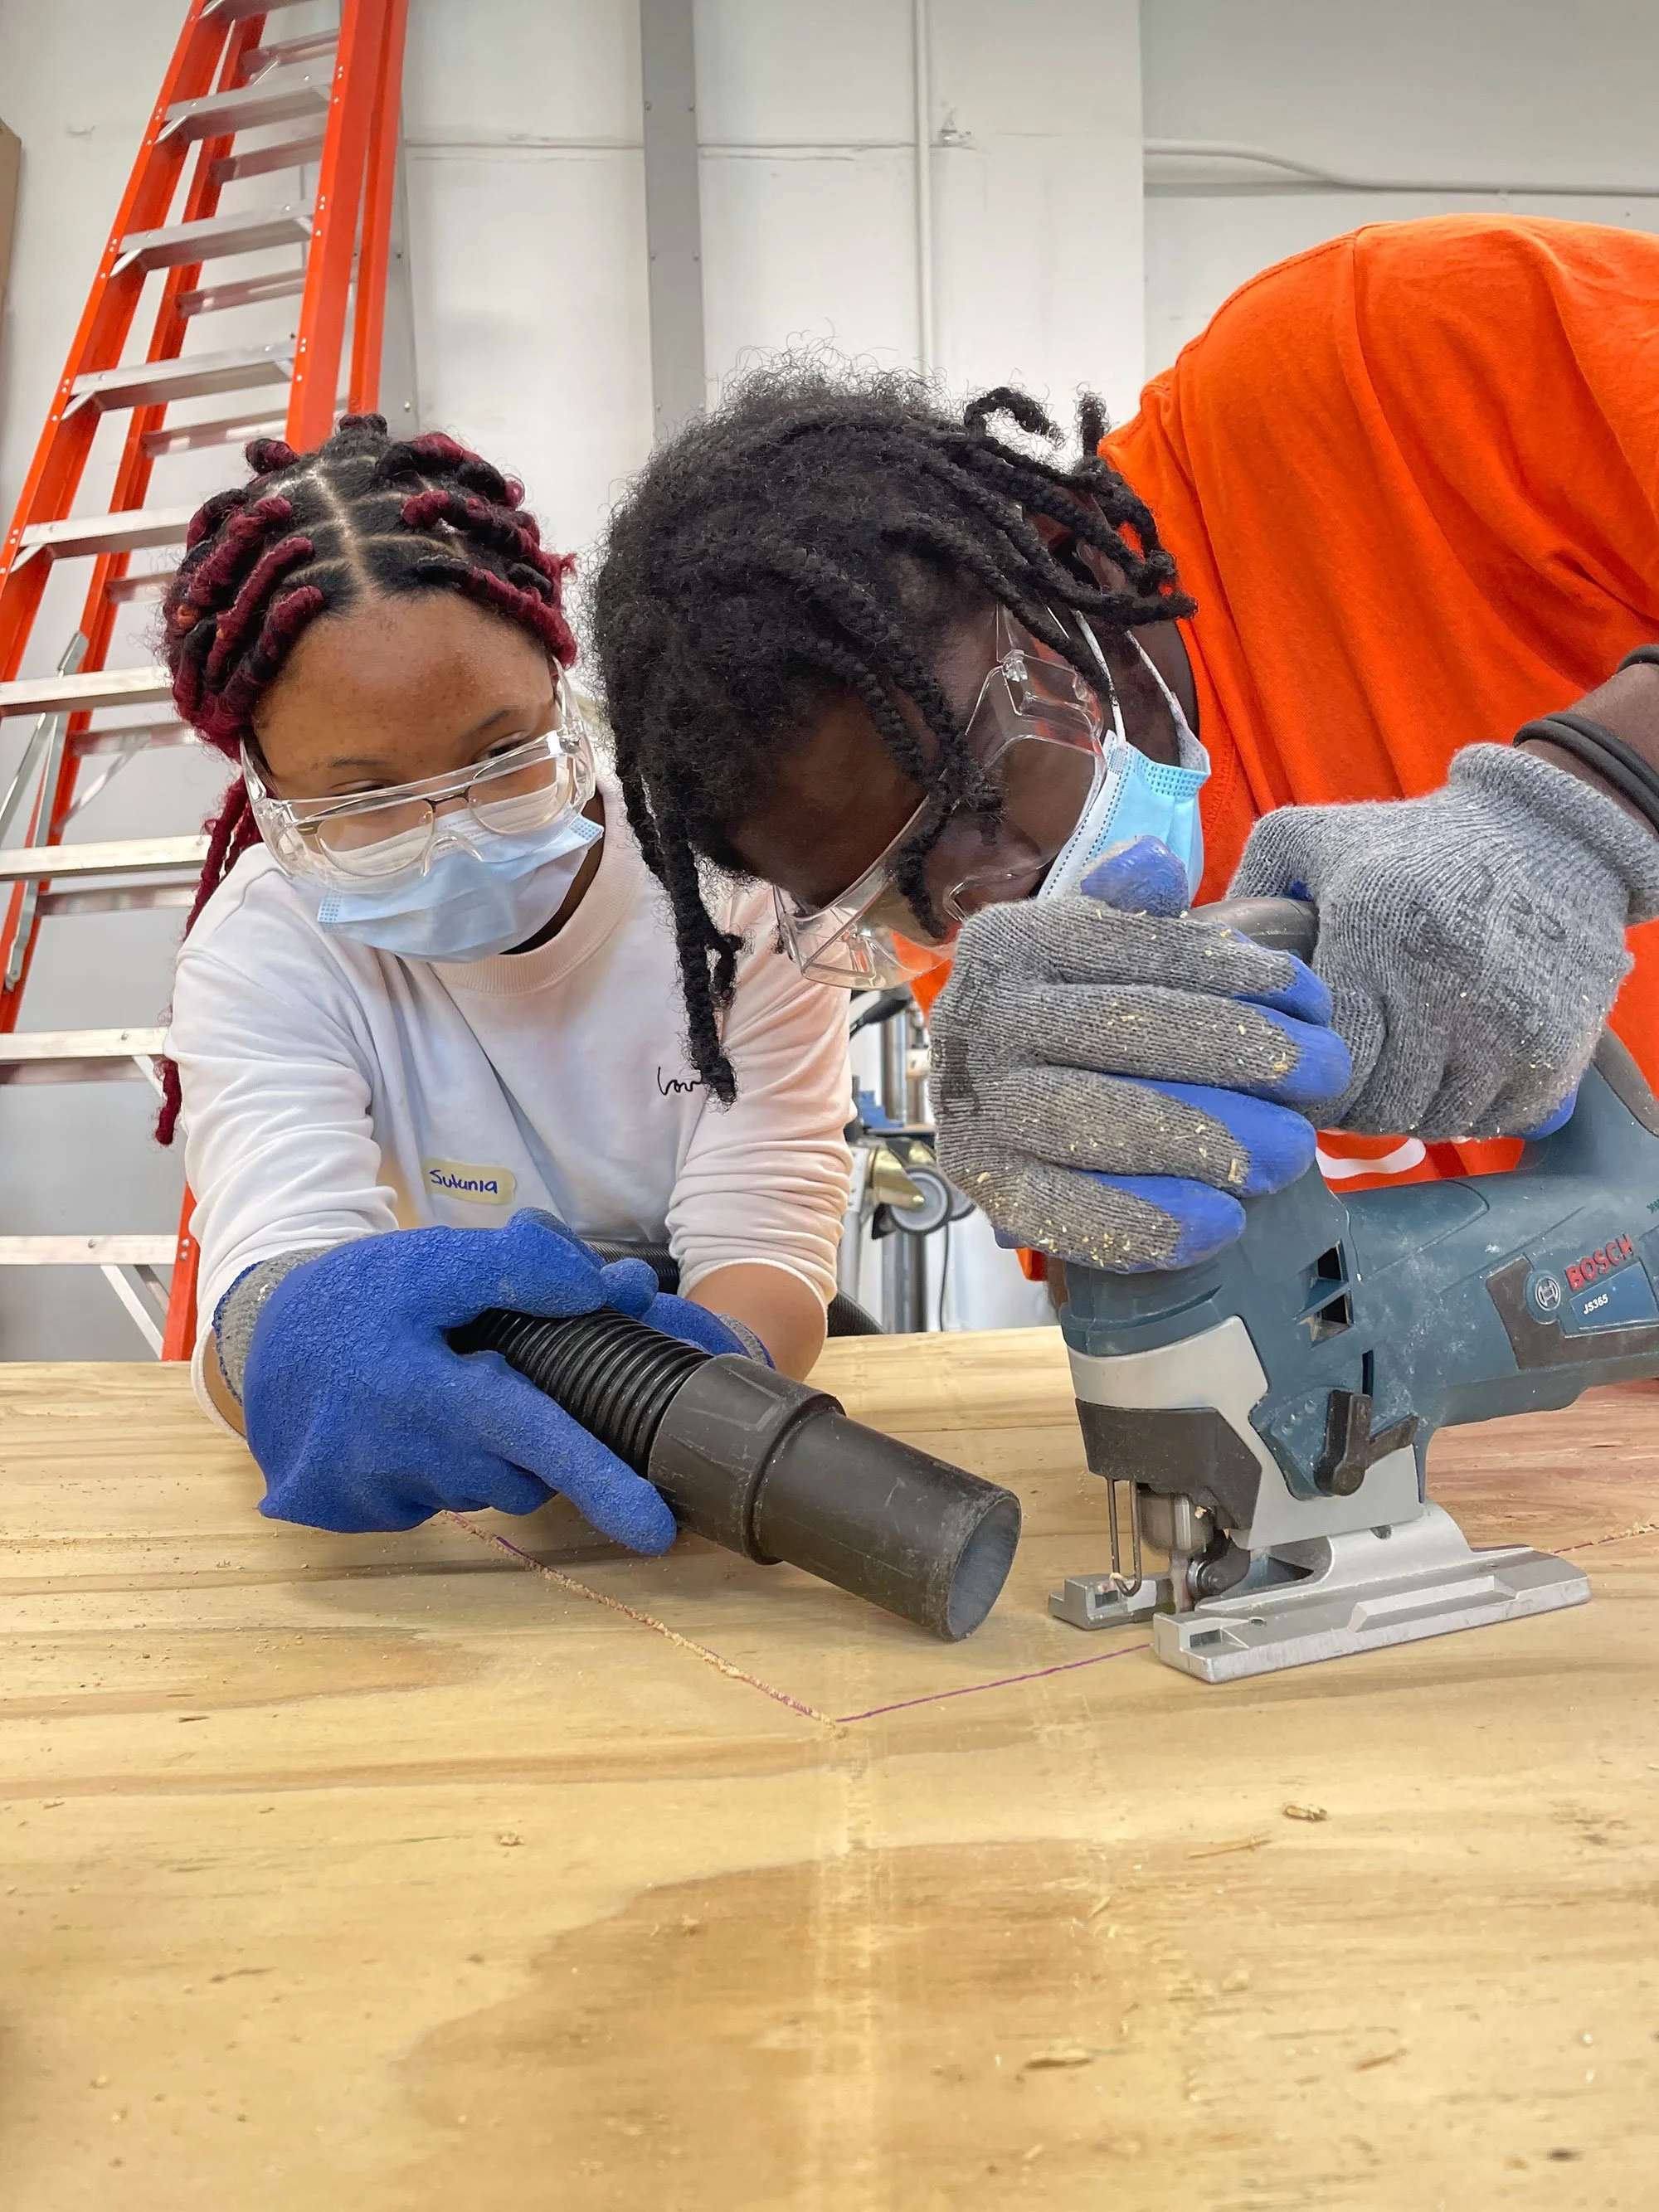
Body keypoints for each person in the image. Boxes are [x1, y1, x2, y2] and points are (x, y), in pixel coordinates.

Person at [590, 214, 1659, 1273]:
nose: (998, 892)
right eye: (906, 894)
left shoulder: (1381, 364)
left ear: (1058, 566)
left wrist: (1579, 808)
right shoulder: (994, 925)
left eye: (980, 793)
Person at [159, 414, 851, 1549]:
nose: (455, 833)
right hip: (429, 1370)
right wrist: (302, 1346)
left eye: (499, 754)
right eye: (362, 795)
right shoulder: (264, 950)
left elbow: (763, 1238)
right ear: (268, 789)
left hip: (697, 1348)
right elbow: (275, 1262)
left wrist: (691, 1398)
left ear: (560, 682)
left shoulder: (731, 888)